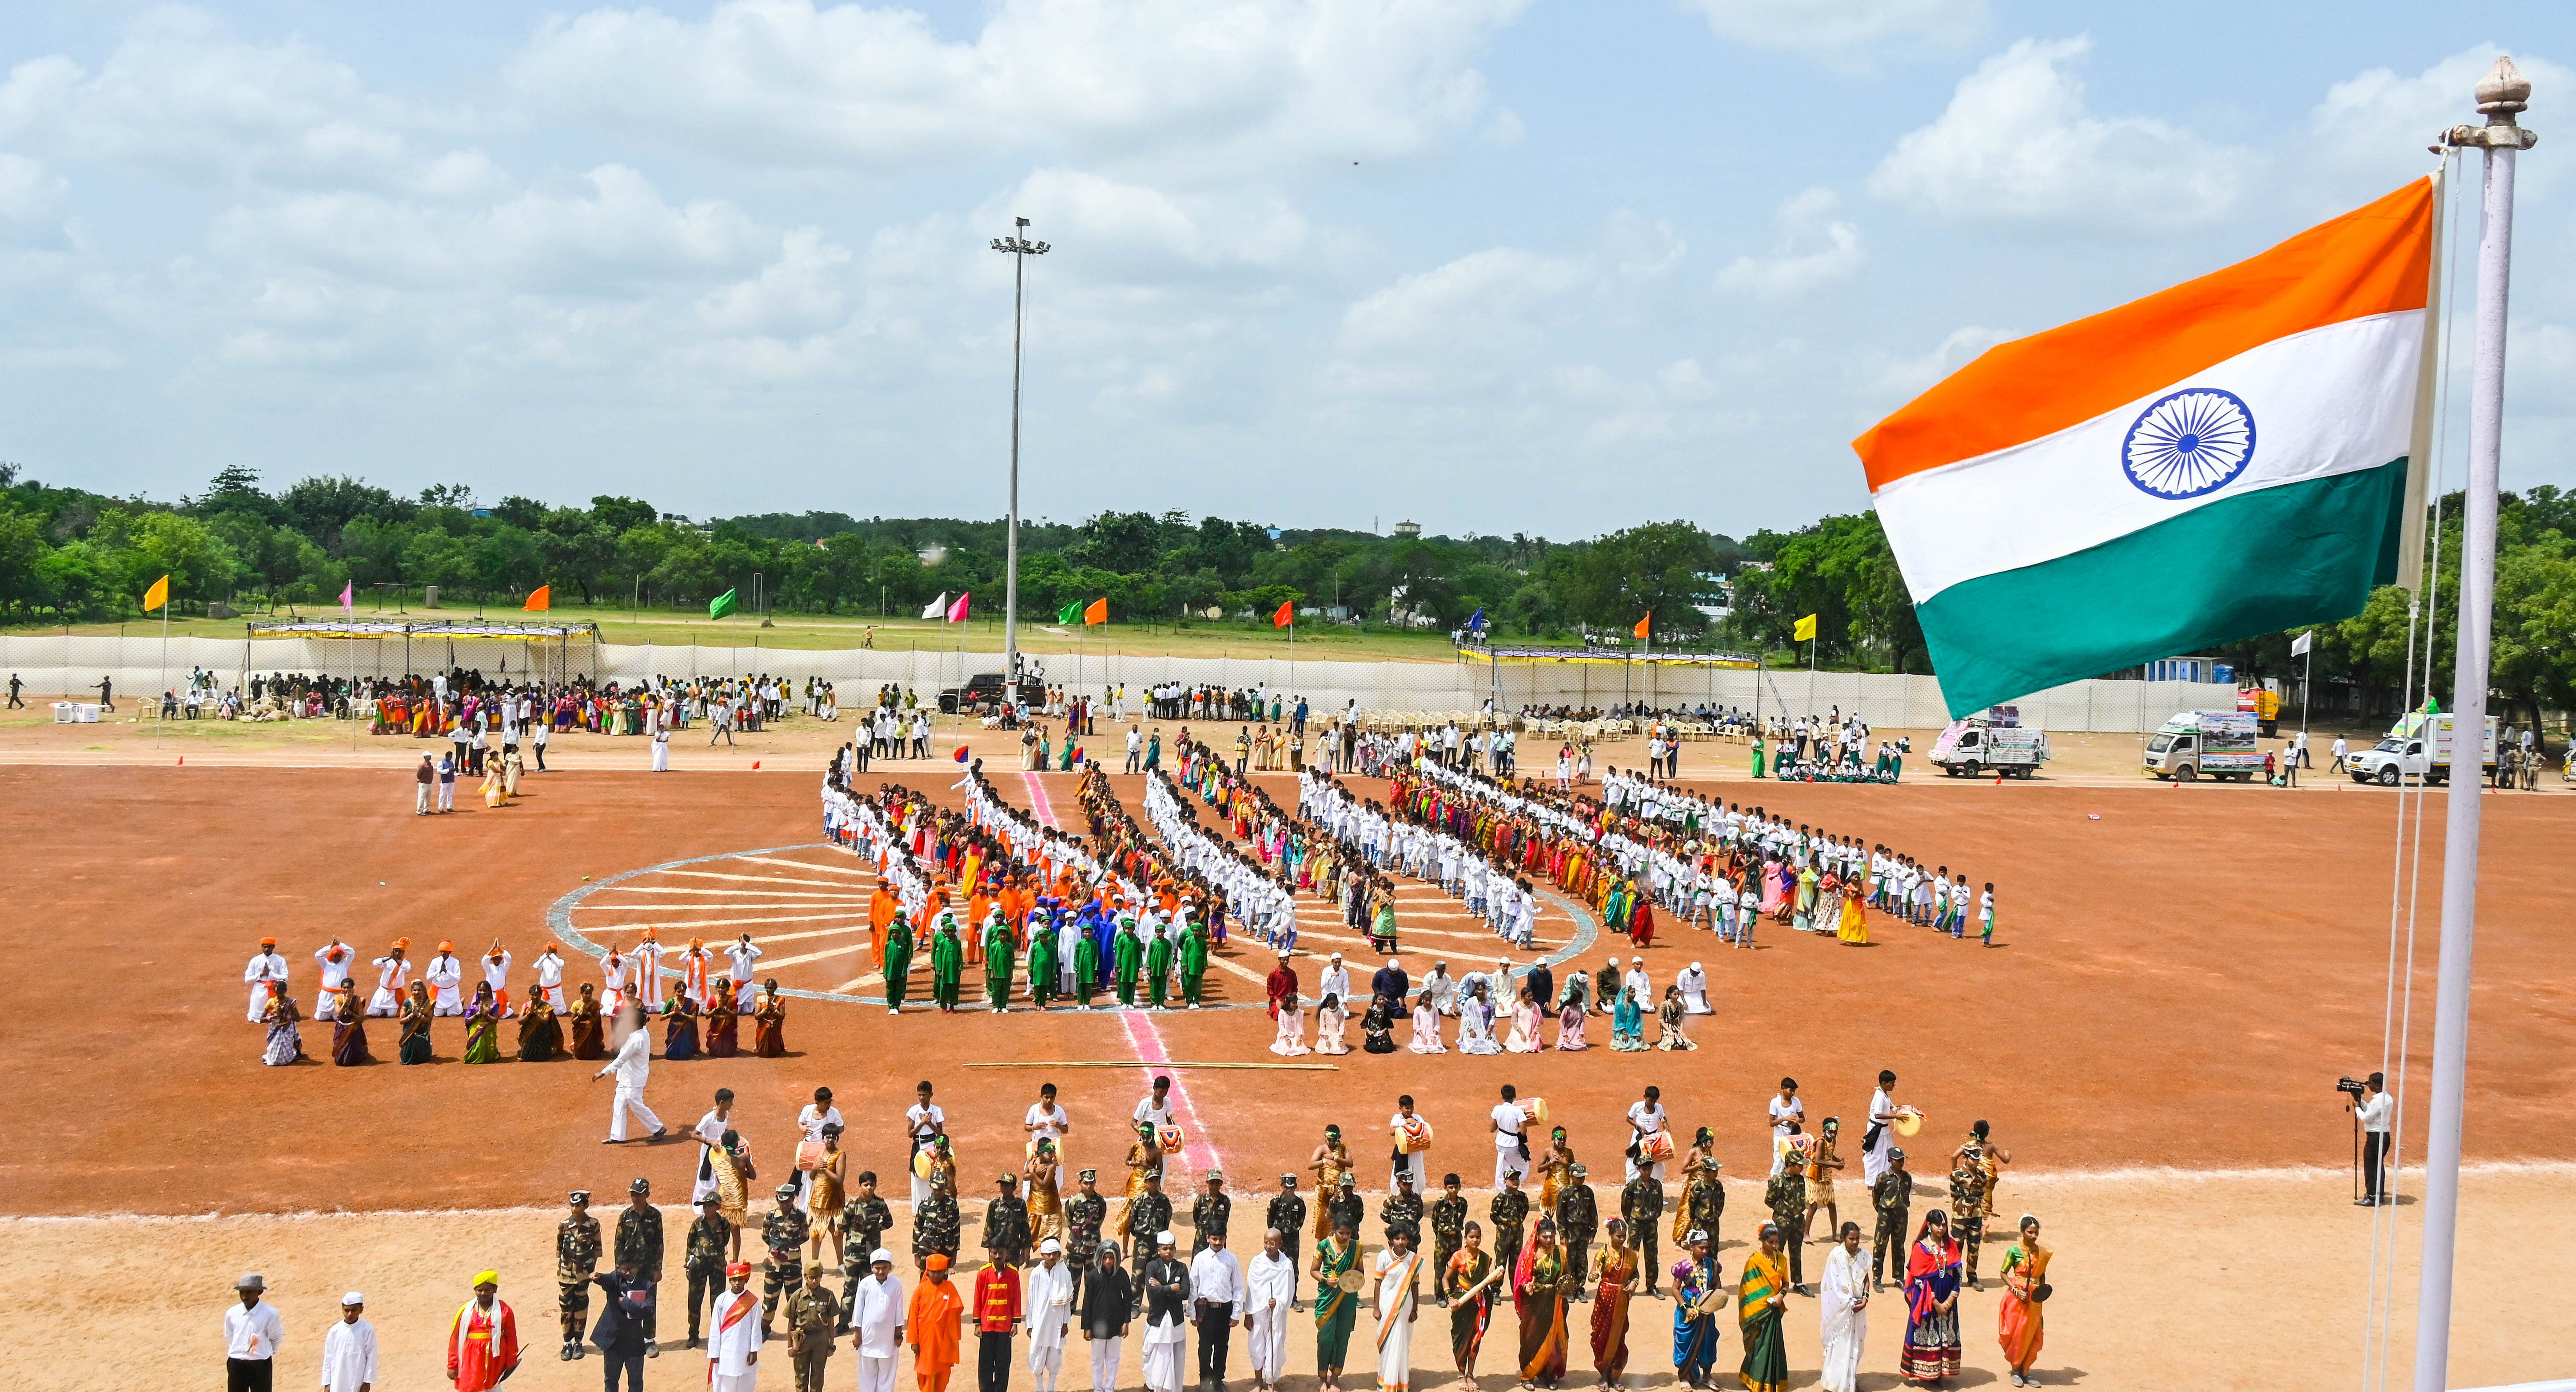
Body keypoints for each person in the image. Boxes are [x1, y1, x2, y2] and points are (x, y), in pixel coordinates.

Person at [1899, 1211, 1963, 1386]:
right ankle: (1927, 1374)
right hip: (1928, 1302)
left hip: (1949, 1303)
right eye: (1938, 1225)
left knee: (1946, 1336)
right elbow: (1919, 1280)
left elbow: (1958, 1274)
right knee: (1927, 1335)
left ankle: (1942, 1372)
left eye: (1944, 1225)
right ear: (1929, 1225)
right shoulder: (1920, 1248)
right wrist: (1936, 1303)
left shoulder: (1951, 1246)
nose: (1941, 1229)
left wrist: (1950, 1300)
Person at [1511, 1217, 1570, 1390]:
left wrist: (1566, 1287)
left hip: (1555, 1302)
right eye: (1545, 1237)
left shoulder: (1562, 1252)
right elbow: (1521, 1280)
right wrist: (1526, 1286)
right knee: (1531, 1338)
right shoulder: (1529, 1254)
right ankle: (1527, 1375)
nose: (1550, 1240)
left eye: (1552, 1236)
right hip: (1534, 1303)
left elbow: (1566, 1276)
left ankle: (1549, 1374)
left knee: (1554, 1339)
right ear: (1537, 1236)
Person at [595, 1010, 666, 1143]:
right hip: (626, 1077)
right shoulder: (643, 1032)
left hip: (634, 1079)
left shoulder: (635, 1041)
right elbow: (644, 1022)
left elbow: (620, 1060)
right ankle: (617, 1136)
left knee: (635, 1104)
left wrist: (603, 1072)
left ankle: (658, 1128)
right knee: (619, 1103)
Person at [1995, 1216, 2050, 1388]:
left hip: (2034, 1300)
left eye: (2036, 1233)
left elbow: (2041, 1274)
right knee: (2016, 1332)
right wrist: (2016, 1290)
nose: (2034, 1236)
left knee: (2033, 1332)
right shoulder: (2014, 1251)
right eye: (2030, 1232)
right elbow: (2003, 1273)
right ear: (2022, 1232)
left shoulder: (2042, 1253)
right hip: (2017, 1298)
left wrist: (2041, 1291)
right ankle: (2016, 1369)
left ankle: (2026, 1370)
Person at [447, 1272, 522, 1392]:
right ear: (475, 1291)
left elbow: (511, 1337)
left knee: (493, 1388)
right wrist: (452, 1365)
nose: (483, 1294)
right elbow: (455, 1339)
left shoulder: (505, 1311)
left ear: (495, 1289)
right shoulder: (466, 1312)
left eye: (487, 1290)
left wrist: (511, 1361)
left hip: (495, 1360)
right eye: (479, 1290)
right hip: (471, 1360)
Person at [1735, 1224, 1788, 1392]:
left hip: (1774, 1310)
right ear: (1763, 1241)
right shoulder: (1754, 1261)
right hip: (1757, 1311)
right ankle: (1753, 1378)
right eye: (1771, 1242)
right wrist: (1760, 1305)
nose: (1774, 1246)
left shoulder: (1782, 1260)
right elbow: (1747, 1290)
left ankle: (1772, 1380)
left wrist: (1781, 1295)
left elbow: (1786, 1283)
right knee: (1757, 1345)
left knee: (1772, 1347)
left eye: (1777, 1242)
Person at [1189, 1227, 1244, 1392]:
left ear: (1226, 1238)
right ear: (1207, 1238)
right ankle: (1205, 1380)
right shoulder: (1200, 1259)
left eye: (1221, 1239)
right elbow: (1193, 1286)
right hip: (1205, 1311)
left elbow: (1239, 1288)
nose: (1218, 1242)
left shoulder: (1231, 1259)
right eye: (1214, 1239)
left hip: (1224, 1310)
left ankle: (1219, 1379)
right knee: (1205, 1347)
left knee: (1222, 1346)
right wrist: (1192, 1313)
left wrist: (1236, 1313)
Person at [1819, 1222, 1870, 1392]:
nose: (1855, 1243)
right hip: (1843, 1313)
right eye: (1851, 1239)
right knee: (1841, 1346)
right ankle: (1834, 1384)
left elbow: (1866, 1280)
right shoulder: (1836, 1256)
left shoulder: (1863, 1257)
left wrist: (1865, 1299)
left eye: (1857, 1239)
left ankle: (1850, 1380)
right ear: (1843, 1239)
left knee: (1855, 1345)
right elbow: (1832, 1285)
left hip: (1859, 1309)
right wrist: (1848, 1304)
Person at [591, 1259, 655, 1392]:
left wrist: (627, 1303)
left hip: (634, 1342)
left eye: (632, 1269)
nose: (628, 1273)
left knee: (636, 1383)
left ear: (638, 1267)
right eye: (624, 1269)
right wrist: (600, 1278)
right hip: (614, 1342)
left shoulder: (646, 1285)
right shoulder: (616, 1280)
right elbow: (607, 1280)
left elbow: (649, 1310)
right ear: (619, 1269)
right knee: (611, 1381)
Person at [1312, 1219, 1360, 1392]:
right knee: (1326, 1337)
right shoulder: (1324, 1246)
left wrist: (1350, 1281)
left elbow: (1359, 1273)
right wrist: (1326, 1280)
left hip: (1348, 1297)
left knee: (1343, 1336)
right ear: (1334, 1231)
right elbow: (1314, 1271)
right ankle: (1322, 1378)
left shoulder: (1357, 1248)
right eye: (1342, 1233)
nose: (1346, 1237)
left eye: (1348, 1234)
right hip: (1328, 1296)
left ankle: (1335, 1378)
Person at [1372, 1226, 1423, 1392]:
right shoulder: (1384, 1256)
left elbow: (1415, 1285)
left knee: (1402, 1341)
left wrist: (1415, 1308)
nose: (1401, 1242)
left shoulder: (1413, 1259)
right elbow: (1378, 1282)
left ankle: (1401, 1381)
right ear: (1391, 1240)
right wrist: (1376, 1307)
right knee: (1388, 1341)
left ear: (1409, 1240)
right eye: (1397, 1239)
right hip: (1387, 1304)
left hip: (1405, 1304)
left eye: (1404, 1239)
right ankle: (1386, 1381)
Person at [1586, 1218, 1636, 1386]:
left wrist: (1633, 1284)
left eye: (1624, 1236)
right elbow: (1594, 1272)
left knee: (1619, 1336)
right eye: (1618, 1236)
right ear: (1610, 1234)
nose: (1622, 1239)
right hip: (1605, 1298)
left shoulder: (1630, 1255)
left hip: (1621, 1300)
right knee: (1601, 1336)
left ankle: (1614, 1376)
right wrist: (1593, 1276)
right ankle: (1604, 1375)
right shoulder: (1603, 1253)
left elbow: (1635, 1274)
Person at [1245, 1229, 1296, 1392]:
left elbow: (1289, 1291)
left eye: (1272, 1243)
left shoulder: (1286, 1265)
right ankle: (1258, 1380)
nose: (1268, 1246)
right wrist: (1248, 1313)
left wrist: (1278, 1302)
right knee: (1257, 1345)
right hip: (1258, 1313)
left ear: (1280, 1244)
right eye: (1266, 1242)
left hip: (1277, 1315)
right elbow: (1251, 1289)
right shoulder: (1257, 1262)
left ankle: (1271, 1382)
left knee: (1275, 1345)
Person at [1669, 1231, 1721, 1390]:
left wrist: (1713, 1300)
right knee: (1685, 1342)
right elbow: (1675, 1290)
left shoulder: (1713, 1265)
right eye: (1701, 1248)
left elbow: (1718, 1285)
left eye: (1706, 1248)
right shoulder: (1683, 1267)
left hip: (1706, 1312)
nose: (1705, 1251)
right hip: (1687, 1312)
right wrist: (1686, 1308)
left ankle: (1707, 1375)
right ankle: (1685, 1377)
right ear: (1691, 1247)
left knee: (1708, 1341)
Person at [910, 1254, 968, 1392]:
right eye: (933, 1272)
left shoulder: (950, 1287)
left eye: (939, 1272)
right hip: (926, 1340)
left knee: (943, 1372)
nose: (936, 1275)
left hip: (944, 1339)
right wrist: (914, 1341)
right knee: (926, 1372)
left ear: (945, 1272)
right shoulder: (921, 1290)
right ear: (928, 1272)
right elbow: (913, 1316)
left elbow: (957, 1310)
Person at [1141, 1231, 1191, 1392]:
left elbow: (1185, 1293)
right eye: (1165, 1249)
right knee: (1156, 1357)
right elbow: (1152, 1294)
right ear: (1159, 1250)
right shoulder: (1152, 1267)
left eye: (1171, 1249)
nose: (1168, 1252)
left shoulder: (1182, 1268)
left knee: (1175, 1358)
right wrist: (1171, 1288)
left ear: (1175, 1249)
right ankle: (1154, 1387)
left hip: (1176, 1321)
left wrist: (1162, 1288)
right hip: (1158, 1319)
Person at [852, 1249, 907, 1392]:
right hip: (868, 1339)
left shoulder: (896, 1284)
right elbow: (858, 1311)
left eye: (884, 1268)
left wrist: (898, 1335)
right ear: (872, 1268)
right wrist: (858, 1336)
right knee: (867, 1376)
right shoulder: (865, 1284)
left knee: (887, 1377)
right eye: (877, 1268)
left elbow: (898, 1311)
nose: (881, 1272)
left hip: (888, 1341)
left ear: (890, 1267)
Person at [973, 1241, 1025, 1392]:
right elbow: (978, 1299)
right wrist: (978, 1324)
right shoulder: (983, 1273)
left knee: (1003, 1363)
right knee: (986, 1364)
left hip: (1005, 1326)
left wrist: (1015, 1322)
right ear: (990, 1252)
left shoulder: (1013, 1273)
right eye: (994, 1252)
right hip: (987, 1326)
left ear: (1007, 1253)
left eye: (1001, 1252)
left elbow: (1016, 1298)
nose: (998, 1256)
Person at [1027, 1238, 1077, 1392]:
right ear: (1042, 1254)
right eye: (1049, 1254)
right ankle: (1040, 1385)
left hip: (1057, 1322)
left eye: (1055, 1254)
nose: (1052, 1257)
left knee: (1055, 1355)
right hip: (1040, 1321)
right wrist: (1030, 1325)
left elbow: (1067, 1302)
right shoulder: (1036, 1274)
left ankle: (1051, 1386)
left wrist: (1065, 1323)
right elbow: (1030, 1301)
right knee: (1038, 1354)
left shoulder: (1065, 1273)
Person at [1082, 1243, 1133, 1392]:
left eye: (1111, 1258)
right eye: (1105, 1257)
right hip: (1097, 1325)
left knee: (1113, 1360)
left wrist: (1126, 1322)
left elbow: (1128, 1299)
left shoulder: (1122, 1275)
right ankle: (1098, 1388)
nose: (1109, 1261)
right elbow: (1088, 1301)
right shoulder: (1093, 1276)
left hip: (1116, 1324)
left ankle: (1110, 1388)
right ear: (1100, 1257)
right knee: (1097, 1360)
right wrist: (1087, 1327)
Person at [786, 1262, 844, 1392]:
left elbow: (831, 1322)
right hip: (802, 1340)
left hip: (821, 1340)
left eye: (817, 1277)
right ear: (805, 1277)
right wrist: (790, 1347)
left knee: (818, 1377)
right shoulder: (798, 1296)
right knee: (801, 1376)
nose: (814, 1280)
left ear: (822, 1276)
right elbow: (791, 1323)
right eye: (811, 1277)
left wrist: (831, 1345)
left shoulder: (828, 1295)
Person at [708, 1263, 765, 1392]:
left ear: (747, 1279)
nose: (737, 1283)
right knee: (727, 1384)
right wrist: (714, 1352)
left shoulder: (753, 1301)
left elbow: (756, 1328)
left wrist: (754, 1350)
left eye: (740, 1279)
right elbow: (715, 1328)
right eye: (734, 1280)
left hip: (744, 1350)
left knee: (746, 1384)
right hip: (726, 1352)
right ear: (730, 1280)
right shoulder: (721, 1300)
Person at [227, 1273, 284, 1392]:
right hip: (236, 1364)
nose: (244, 1296)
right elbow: (230, 1335)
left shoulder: (270, 1314)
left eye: (249, 1292)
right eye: (242, 1292)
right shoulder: (232, 1313)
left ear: (259, 1292)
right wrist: (239, 1349)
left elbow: (276, 1337)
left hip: (260, 1365)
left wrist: (265, 1351)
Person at [319, 1293, 376, 1392]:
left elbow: (371, 1357)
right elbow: (328, 1359)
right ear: (342, 1309)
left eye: (354, 1310)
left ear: (361, 1310)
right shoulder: (335, 1331)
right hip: (337, 1381)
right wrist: (327, 1383)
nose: (350, 1314)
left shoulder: (367, 1330)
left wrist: (367, 1382)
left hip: (357, 1381)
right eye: (347, 1310)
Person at [2354, 1071, 2393, 1205]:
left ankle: (2372, 1197)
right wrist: (2360, 1100)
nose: (2368, 1084)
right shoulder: (2386, 1098)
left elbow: (2367, 1118)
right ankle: (2378, 1193)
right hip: (2383, 1136)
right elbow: (2372, 1110)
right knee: (2378, 1166)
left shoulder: (2378, 1101)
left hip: (2375, 1138)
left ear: (2377, 1085)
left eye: (2370, 1083)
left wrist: (2357, 1108)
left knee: (2371, 1167)